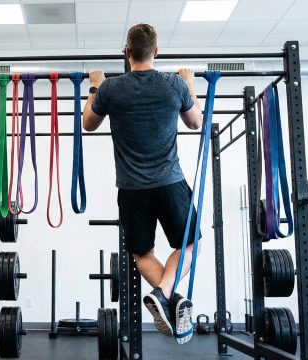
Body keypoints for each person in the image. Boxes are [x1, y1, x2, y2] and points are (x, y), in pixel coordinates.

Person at [82, 24, 203, 344]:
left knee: (141, 253)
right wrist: (190, 84)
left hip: (132, 189)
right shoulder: (173, 84)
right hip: (170, 182)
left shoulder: (111, 89)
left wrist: (95, 86)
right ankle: (165, 296)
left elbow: (87, 124)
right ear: (156, 52)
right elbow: (196, 122)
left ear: (126, 53)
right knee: (190, 245)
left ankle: (165, 297)